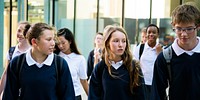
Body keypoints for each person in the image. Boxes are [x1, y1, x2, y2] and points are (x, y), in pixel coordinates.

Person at [3, 22, 75, 100]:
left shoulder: (60, 64)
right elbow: (9, 96)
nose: (53, 43)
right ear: (34, 42)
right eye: (48, 39)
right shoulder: (17, 63)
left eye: (53, 39)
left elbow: (68, 96)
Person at [151, 3, 200, 100]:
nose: (184, 34)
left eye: (189, 29)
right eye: (179, 29)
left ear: (198, 26)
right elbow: (157, 94)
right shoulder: (165, 57)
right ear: (173, 26)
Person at [88, 25, 146, 100]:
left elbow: (141, 96)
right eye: (116, 41)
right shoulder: (100, 68)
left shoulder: (134, 67)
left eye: (123, 41)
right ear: (108, 43)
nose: (120, 45)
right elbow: (93, 96)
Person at [56, 28, 89, 100]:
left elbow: (83, 80)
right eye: (58, 44)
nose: (61, 46)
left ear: (70, 41)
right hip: (58, 96)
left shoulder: (80, 59)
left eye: (63, 43)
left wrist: (90, 97)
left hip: (75, 95)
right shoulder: (55, 58)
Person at [0, 21, 31, 96]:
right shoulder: (11, 51)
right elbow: (6, 73)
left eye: (24, 31)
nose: (20, 34)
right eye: (19, 30)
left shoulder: (33, 52)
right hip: (13, 93)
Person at [133, 24, 162, 100]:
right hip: (142, 84)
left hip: (156, 85)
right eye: (149, 32)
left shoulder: (161, 50)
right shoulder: (140, 48)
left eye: (154, 32)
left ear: (158, 35)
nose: (151, 34)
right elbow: (134, 65)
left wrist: (160, 54)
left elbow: (162, 67)